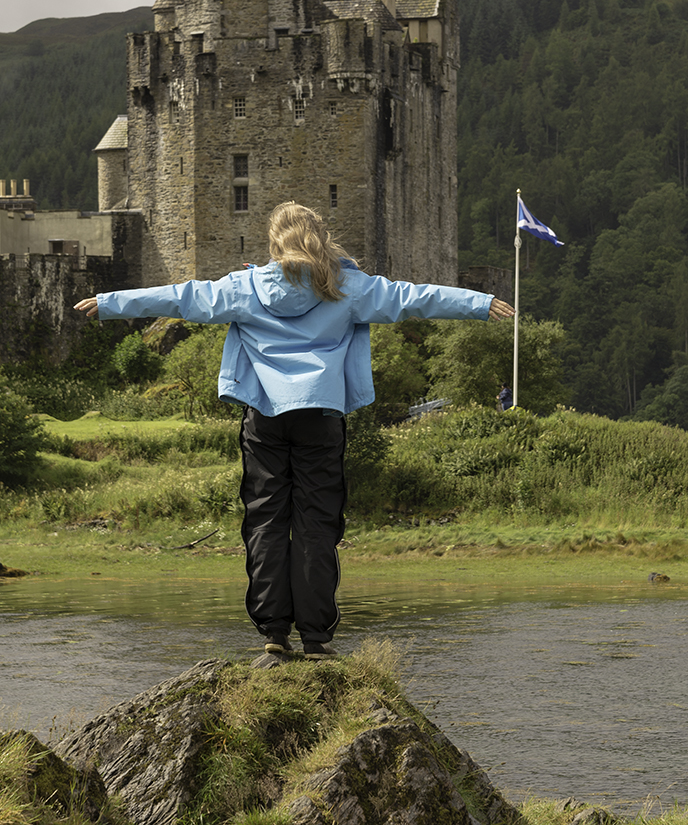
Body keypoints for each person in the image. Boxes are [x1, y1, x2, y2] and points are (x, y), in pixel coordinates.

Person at [75, 201, 514, 665]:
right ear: (320, 238)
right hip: (321, 419)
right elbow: (413, 297)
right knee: (317, 526)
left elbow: (180, 297)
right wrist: (479, 302)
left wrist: (109, 303)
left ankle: (273, 636)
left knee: (265, 522)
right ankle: (317, 641)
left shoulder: (244, 287)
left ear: (273, 242)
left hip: (264, 418)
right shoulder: (347, 287)